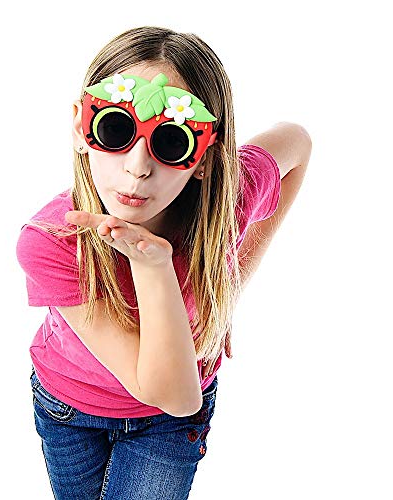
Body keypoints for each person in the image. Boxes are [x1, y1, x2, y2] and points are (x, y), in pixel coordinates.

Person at [16, 25, 310, 499]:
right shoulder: (52, 241)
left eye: (172, 141)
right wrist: (159, 268)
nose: (137, 167)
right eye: (115, 128)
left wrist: (224, 289)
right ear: (79, 128)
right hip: (69, 408)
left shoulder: (227, 201)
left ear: (206, 157)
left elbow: (297, 142)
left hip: (166, 424)